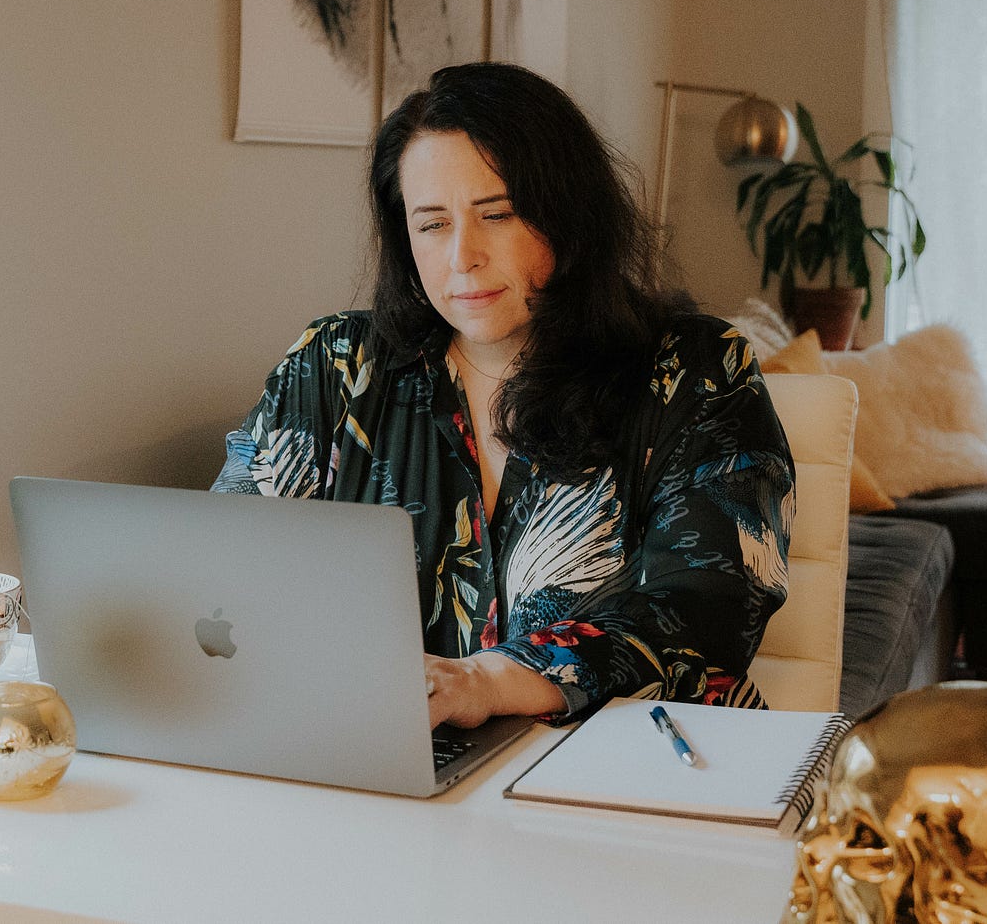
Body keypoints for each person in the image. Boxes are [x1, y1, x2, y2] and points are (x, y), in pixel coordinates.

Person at [213, 63, 795, 730]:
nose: (463, 255)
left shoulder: (697, 372)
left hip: (622, 772)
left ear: (568, 217)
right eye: (431, 224)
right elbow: (222, 567)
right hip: (380, 764)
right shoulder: (334, 366)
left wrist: (484, 681)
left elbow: (707, 606)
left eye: (498, 214)